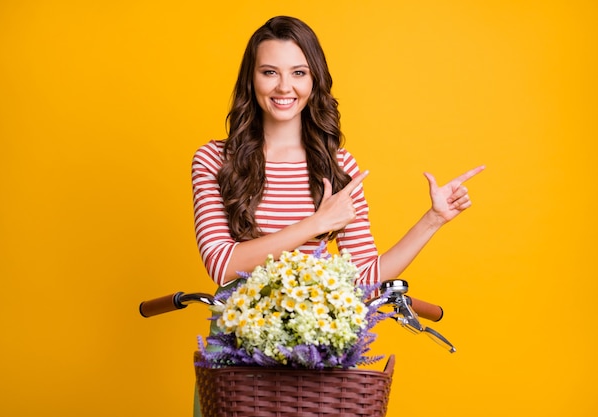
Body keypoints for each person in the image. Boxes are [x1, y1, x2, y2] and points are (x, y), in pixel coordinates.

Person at [190, 15, 484, 416]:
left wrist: (433, 219)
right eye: (269, 72)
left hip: (318, 351)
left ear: (314, 81)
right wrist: (315, 225)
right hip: (237, 348)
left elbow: (364, 278)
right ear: (251, 79)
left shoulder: (337, 165)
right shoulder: (213, 160)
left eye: (298, 72)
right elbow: (222, 265)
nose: (284, 87)